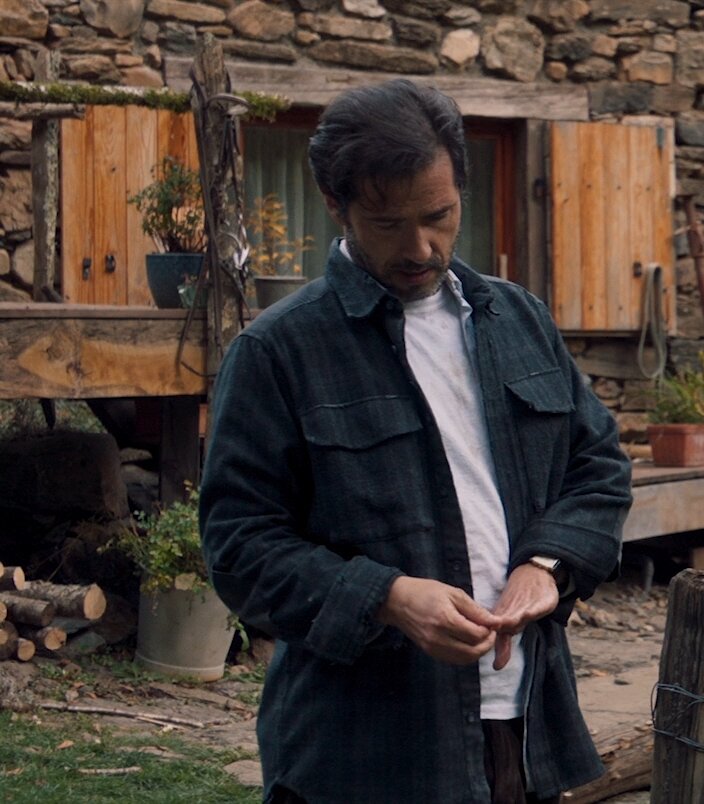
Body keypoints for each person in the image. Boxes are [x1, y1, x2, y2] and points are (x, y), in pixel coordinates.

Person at [199, 79, 632, 803]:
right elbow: (239, 546)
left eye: (439, 216)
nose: (420, 247)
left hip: (523, 730)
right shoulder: (279, 352)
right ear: (335, 205)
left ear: (460, 189)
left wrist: (546, 565)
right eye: (388, 223)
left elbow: (600, 470)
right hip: (361, 750)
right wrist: (389, 598)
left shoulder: (519, 320)